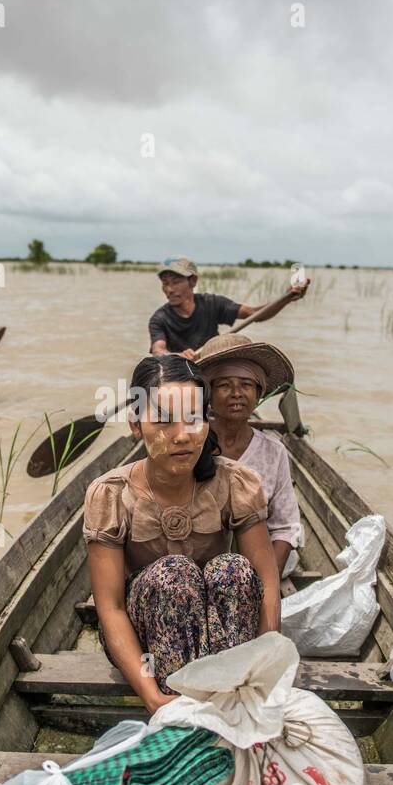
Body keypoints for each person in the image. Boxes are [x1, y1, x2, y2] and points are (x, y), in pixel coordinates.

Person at [82, 354, 282, 713]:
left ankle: (232, 697)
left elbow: (266, 584)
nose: (182, 436)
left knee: (233, 570)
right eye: (163, 420)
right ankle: (180, 702)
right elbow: (109, 608)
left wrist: (268, 667)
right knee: (175, 573)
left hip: (222, 628)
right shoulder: (111, 494)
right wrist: (152, 697)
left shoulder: (234, 482)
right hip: (146, 640)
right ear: (136, 424)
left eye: (193, 418)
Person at [196, 333, 304, 579]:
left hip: (257, 562)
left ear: (258, 394)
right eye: (224, 385)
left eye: (246, 385)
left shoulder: (273, 451)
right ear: (208, 395)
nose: (236, 393)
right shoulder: (192, 444)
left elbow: (285, 526)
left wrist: (267, 582)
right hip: (200, 561)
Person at [148, 256, 310, 359]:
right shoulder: (160, 318)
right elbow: (158, 350)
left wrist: (286, 298)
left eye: (175, 282)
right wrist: (177, 356)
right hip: (180, 371)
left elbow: (255, 314)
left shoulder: (212, 303)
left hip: (212, 365)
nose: (169, 289)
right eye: (165, 283)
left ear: (193, 281)